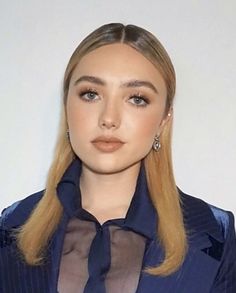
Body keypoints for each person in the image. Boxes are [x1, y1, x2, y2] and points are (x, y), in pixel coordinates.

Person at [0, 23, 235, 293]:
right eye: (90, 94)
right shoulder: (11, 227)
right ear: (67, 106)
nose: (109, 119)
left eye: (136, 99)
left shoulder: (215, 234)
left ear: (164, 119)